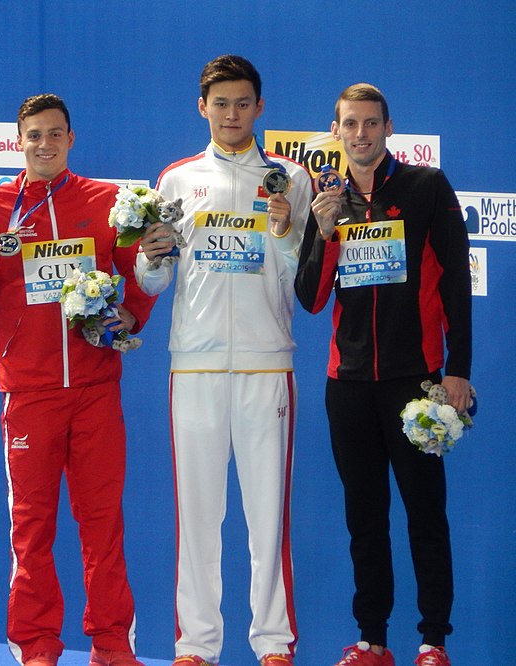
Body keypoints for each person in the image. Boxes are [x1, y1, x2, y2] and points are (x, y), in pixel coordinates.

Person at [0, 94, 156, 666]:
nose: (45, 144)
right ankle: (36, 645)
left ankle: (110, 643)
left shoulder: (106, 202)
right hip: (28, 395)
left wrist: (131, 314)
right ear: (19, 141)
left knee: (102, 523)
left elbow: (140, 277)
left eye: (55, 134)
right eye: (34, 135)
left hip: (96, 388)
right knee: (32, 529)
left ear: (71, 139)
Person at [134, 55, 313, 666]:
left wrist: (289, 233)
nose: (231, 114)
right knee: (198, 515)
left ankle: (272, 643)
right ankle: (196, 645)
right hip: (196, 367)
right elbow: (153, 281)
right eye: (220, 103)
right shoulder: (177, 179)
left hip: (268, 365)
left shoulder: (292, 179)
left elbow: (300, 276)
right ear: (202, 108)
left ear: (260, 108)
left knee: (269, 518)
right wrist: (152, 256)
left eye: (243, 103)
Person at [294, 83, 472, 666]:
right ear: (336, 131)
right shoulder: (328, 201)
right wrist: (323, 235)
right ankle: (373, 639)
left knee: (426, 513)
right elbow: (311, 299)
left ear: (389, 128)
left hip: (414, 381)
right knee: (364, 516)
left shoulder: (425, 188)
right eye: (351, 124)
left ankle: (433, 641)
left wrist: (457, 370)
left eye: (372, 123)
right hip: (346, 384)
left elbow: (454, 284)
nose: (362, 134)